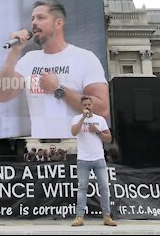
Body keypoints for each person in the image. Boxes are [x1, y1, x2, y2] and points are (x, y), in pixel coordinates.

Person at [0, 0, 109, 138]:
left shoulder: (85, 58)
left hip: (79, 151)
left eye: (41, 17)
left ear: (58, 23)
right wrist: (14, 52)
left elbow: (103, 109)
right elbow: (1, 96)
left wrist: (58, 90)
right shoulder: (29, 60)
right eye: (32, 19)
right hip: (40, 151)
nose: (34, 23)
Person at [70, 96, 116, 227]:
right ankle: (79, 217)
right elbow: (73, 132)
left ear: (92, 105)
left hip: (99, 159)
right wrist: (83, 118)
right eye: (84, 104)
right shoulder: (76, 119)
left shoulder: (100, 120)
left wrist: (98, 132)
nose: (87, 106)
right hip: (83, 159)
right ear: (81, 106)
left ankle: (107, 216)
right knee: (82, 187)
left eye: (89, 104)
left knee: (104, 187)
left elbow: (108, 138)